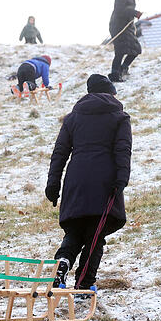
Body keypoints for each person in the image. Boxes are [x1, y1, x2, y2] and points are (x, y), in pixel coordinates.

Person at [45, 74, 131, 291]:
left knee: (75, 230)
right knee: (95, 235)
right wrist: (121, 179)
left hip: (75, 180)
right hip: (104, 181)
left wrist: (53, 183)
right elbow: (123, 150)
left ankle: (61, 266)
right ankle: (84, 285)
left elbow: (60, 153)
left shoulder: (73, 118)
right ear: (110, 92)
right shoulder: (119, 117)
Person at [108, 0, 143, 83]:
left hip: (127, 26)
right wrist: (134, 12)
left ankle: (123, 68)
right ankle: (115, 74)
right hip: (118, 25)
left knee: (136, 49)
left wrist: (133, 14)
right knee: (120, 51)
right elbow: (119, 10)